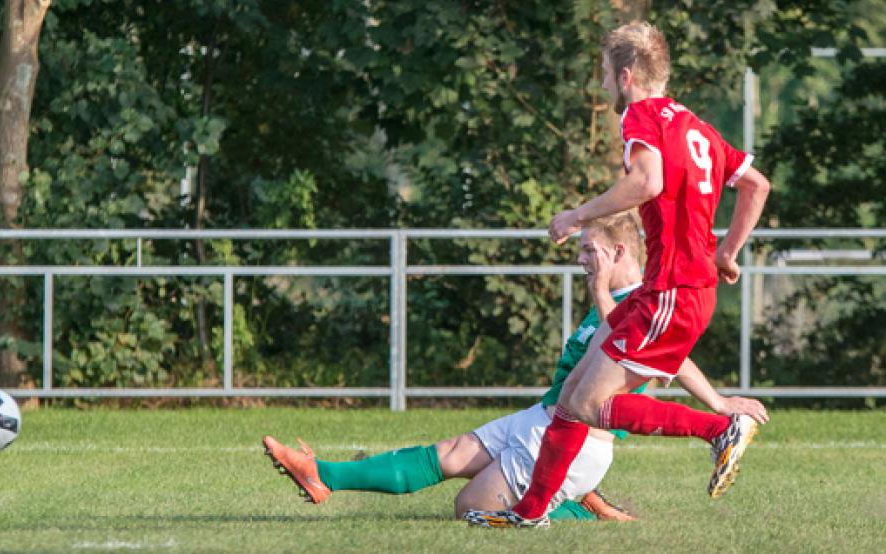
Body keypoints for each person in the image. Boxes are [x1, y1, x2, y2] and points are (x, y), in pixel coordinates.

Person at [464, 22, 771, 529]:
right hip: (674, 290)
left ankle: (719, 429)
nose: (603, 86)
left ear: (626, 76)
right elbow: (756, 186)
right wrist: (728, 252)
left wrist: (576, 216)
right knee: (571, 399)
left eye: (605, 75)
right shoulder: (696, 126)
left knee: (586, 403)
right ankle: (529, 514)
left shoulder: (642, 117)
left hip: (673, 292)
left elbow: (646, 182)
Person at [263, 213, 768, 522]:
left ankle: (579, 508)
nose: (582, 260)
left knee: (470, 508)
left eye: (590, 250)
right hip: (541, 420)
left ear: (618, 252)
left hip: (577, 441)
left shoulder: (638, 301)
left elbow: (666, 364)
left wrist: (720, 404)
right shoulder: (613, 298)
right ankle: (323, 475)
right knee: (447, 454)